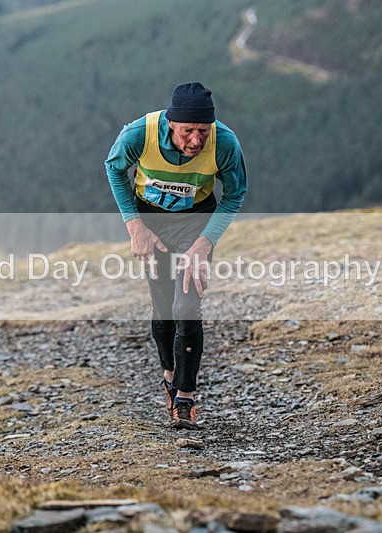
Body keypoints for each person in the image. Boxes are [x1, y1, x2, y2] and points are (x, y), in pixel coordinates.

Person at [106, 82, 247, 429]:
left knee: (186, 306)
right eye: (187, 131)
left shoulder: (225, 143)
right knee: (163, 306)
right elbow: (114, 168)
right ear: (171, 123)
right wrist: (135, 227)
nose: (196, 140)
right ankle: (169, 375)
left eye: (203, 131)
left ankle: (185, 397)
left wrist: (205, 242)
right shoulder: (139, 134)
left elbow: (235, 193)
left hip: (195, 223)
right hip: (151, 220)